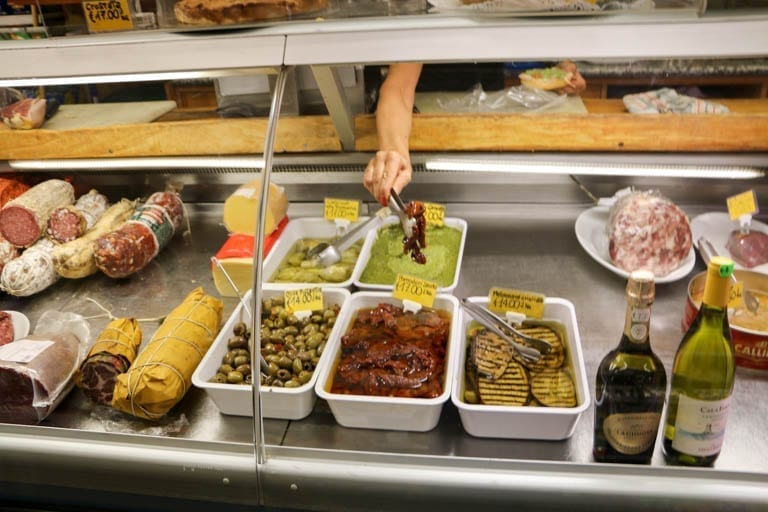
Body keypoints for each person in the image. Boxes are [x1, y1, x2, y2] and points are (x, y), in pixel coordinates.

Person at [363, 60, 586, 206]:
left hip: (494, 116)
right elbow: (398, 89)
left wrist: (558, 72)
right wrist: (395, 151)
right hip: (427, 116)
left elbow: (540, 29)